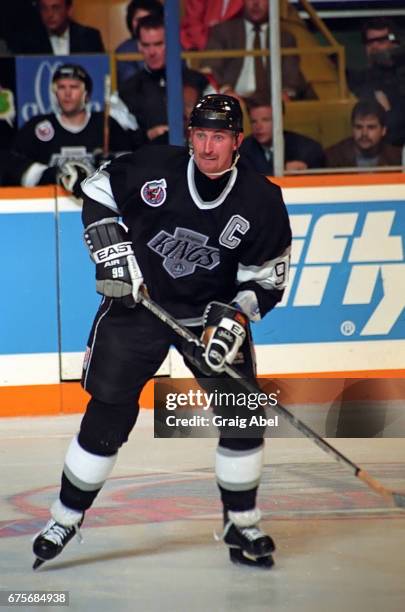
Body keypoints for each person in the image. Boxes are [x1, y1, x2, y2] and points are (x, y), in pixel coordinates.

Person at [32, 94, 292, 570]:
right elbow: (98, 188)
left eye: (219, 137)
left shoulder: (261, 199)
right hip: (139, 305)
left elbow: (265, 278)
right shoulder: (156, 166)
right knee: (109, 415)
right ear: (189, 134)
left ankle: (242, 521)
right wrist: (110, 245)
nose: (207, 147)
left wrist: (234, 319)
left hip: (208, 315)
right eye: (200, 134)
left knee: (242, 417)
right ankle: (65, 516)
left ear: (238, 142)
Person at [6, 64, 136, 194]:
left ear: (87, 93)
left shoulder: (106, 124)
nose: (67, 93)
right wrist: (48, 175)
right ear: (54, 93)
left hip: (97, 205)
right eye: (61, 87)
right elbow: (12, 164)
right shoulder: (37, 127)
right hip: (48, 205)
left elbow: (130, 166)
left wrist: (110, 166)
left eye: (74, 87)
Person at [119, 14, 212, 145]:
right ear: (139, 46)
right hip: (148, 159)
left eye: (158, 44)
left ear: (172, 43)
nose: (152, 52)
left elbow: (217, 126)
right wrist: (148, 135)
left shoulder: (198, 82)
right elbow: (118, 139)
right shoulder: (127, 90)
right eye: (146, 45)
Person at [202, 0, 308, 101]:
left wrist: (285, 93)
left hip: (270, 101)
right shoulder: (223, 31)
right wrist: (225, 91)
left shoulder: (284, 37)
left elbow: (291, 75)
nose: (256, 3)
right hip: (233, 98)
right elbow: (211, 67)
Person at [347, 17, 405, 146]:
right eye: (369, 42)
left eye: (381, 41)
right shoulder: (360, 79)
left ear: (394, 43)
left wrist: (388, 113)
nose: (374, 46)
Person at [240, 97, 325, 174]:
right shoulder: (241, 151)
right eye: (253, 121)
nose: (258, 127)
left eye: (266, 120)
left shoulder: (307, 149)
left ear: (280, 119)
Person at [325, 99, 402, 169]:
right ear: (352, 129)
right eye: (358, 127)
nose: (364, 133)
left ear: (383, 130)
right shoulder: (334, 157)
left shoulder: (398, 158)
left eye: (371, 127)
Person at [14, 0, 104, 55]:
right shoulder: (28, 41)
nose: (49, 14)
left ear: (69, 10)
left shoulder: (90, 37)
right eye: (44, 8)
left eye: (55, 8)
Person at [115, 0, 163, 89]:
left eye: (149, 18)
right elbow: (130, 86)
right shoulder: (124, 51)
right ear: (130, 21)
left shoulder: (173, 46)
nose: (143, 24)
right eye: (139, 20)